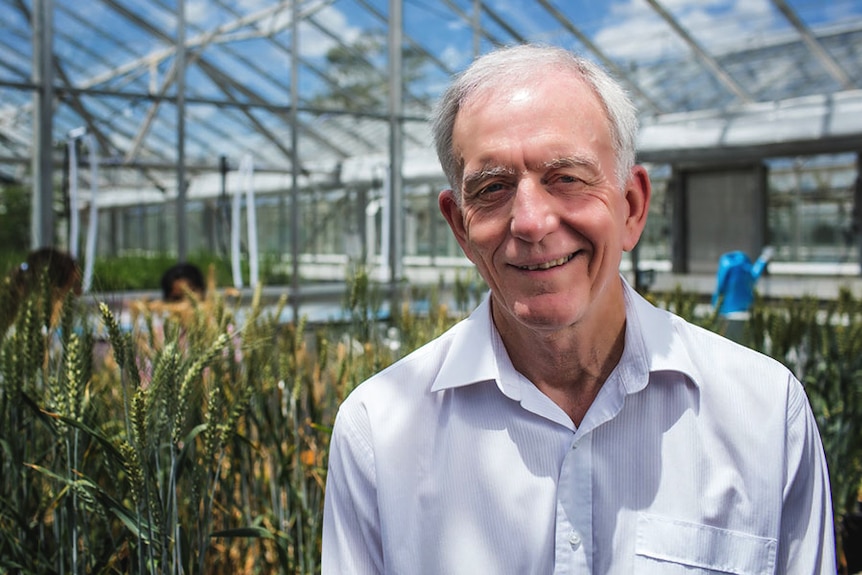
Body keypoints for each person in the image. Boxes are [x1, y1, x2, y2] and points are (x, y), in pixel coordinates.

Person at [322, 44, 835, 573]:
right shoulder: (380, 432)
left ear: (632, 207)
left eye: (566, 178)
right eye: (493, 188)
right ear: (460, 227)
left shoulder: (765, 415)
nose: (531, 222)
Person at [712, 246, 774, 316]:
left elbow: (721, 285)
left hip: (725, 309)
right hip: (744, 308)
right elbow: (754, 276)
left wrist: (716, 302)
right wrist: (763, 259)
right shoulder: (745, 268)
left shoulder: (727, 265)